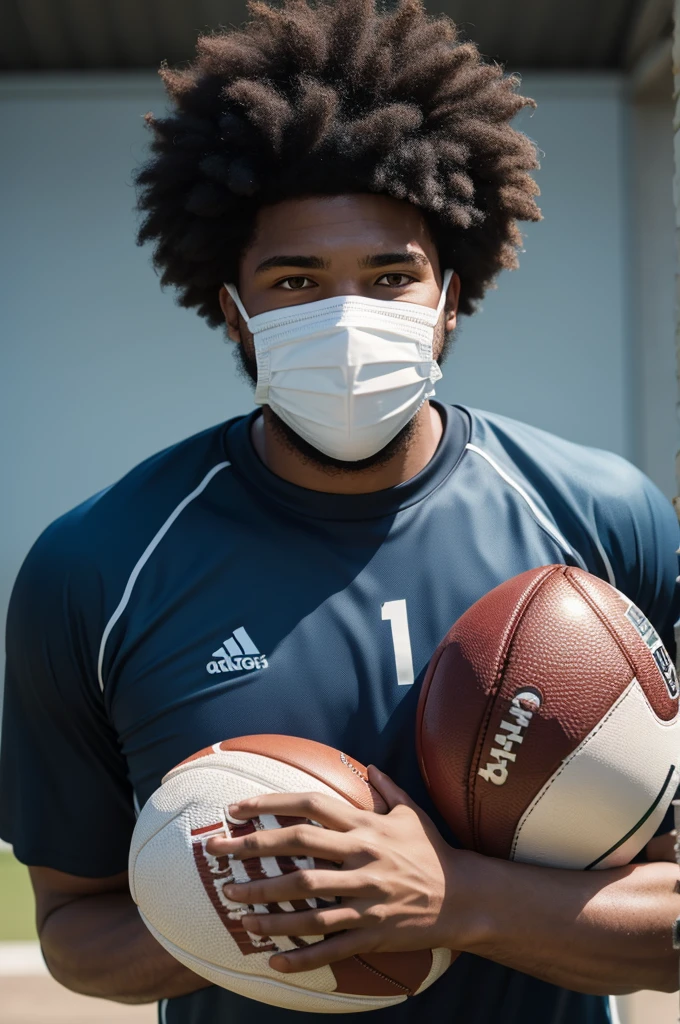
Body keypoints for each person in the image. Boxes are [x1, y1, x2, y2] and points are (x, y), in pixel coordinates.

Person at [1, 0, 679, 1021]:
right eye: (296, 281)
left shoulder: (602, 520)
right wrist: (246, 915)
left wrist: (457, 900)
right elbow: (72, 929)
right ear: (232, 311)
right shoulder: (97, 565)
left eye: (390, 276)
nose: (346, 316)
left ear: (448, 300)